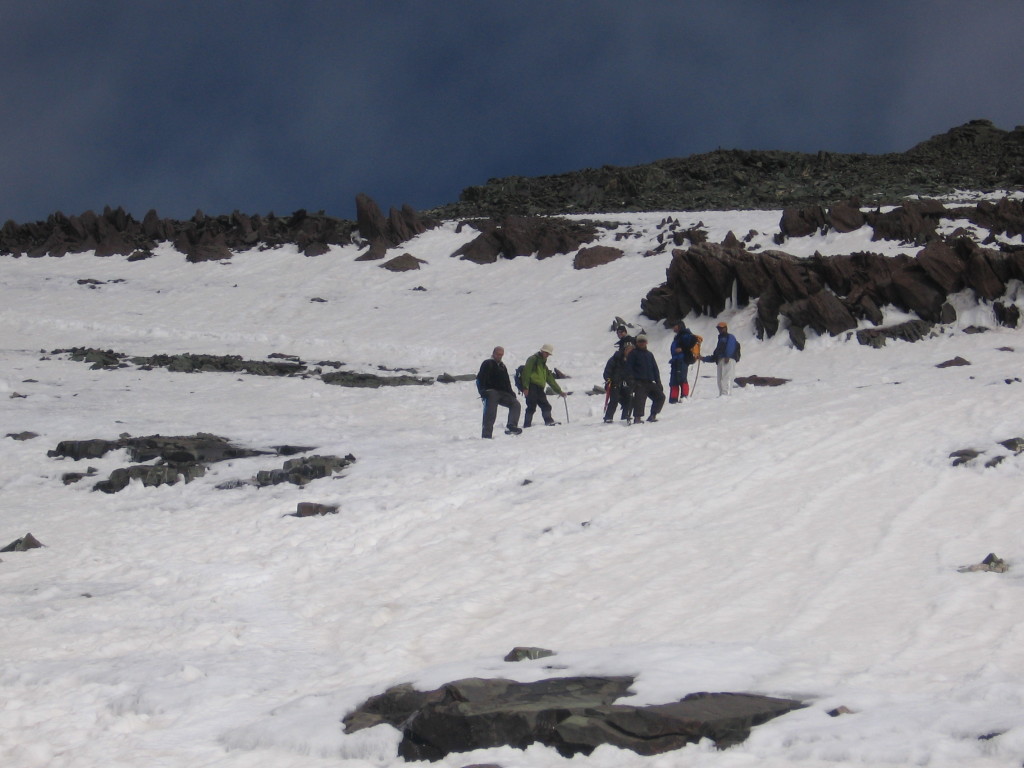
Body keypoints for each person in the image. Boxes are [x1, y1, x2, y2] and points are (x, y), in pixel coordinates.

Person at [475, 346, 522, 439]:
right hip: (491, 391)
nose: (499, 356)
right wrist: (483, 391)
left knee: (516, 404)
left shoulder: (502, 366)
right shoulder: (487, 363)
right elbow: (480, 378)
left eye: (501, 355)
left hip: (503, 393)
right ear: (493, 353)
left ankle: (511, 426)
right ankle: (486, 435)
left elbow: (507, 381)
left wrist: (511, 392)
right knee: (490, 413)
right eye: (498, 354)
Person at [521, 344, 565, 427]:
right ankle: (527, 425)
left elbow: (550, 379)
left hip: (539, 387)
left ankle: (548, 421)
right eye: (546, 353)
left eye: (548, 354)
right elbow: (526, 373)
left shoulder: (543, 364)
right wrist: (525, 387)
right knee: (531, 406)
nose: (547, 355)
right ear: (542, 351)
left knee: (545, 405)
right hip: (532, 386)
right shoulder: (533, 359)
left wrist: (559, 391)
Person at [625, 334, 665, 423]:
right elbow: (629, 368)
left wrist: (658, 382)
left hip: (650, 382)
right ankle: (637, 418)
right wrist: (631, 380)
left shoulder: (650, 354)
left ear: (646, 342)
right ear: (637, 343)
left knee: (660, 397)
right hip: (639, 382)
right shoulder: (633, 354)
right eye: (640, 341)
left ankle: (653, 415)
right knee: (640, 400)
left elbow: (655, 369)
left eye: (643, 341)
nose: (642, 343)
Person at [704, 322, 741, 396]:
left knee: (727, 378)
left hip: (728, 360)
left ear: (726, 328)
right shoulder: (720, 340)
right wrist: (703, 359)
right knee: (720, 380)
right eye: (719, 328)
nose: (720, 330)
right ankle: (722, 396)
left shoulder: (730, 337)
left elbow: (730, 345)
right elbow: (715, 356)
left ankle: (726, 396)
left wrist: (727, 355)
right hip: (721, 360)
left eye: (721, 328)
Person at [667, 320, 700, 403]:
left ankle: (684, 397)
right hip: (676, 360)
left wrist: (683, 349)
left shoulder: (685, 335)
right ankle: (673, 399)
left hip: (681, 360)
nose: (673, 327)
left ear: (679, 326)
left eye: (675, 325)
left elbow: (693, 340)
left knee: (681, 378)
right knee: (674, 380)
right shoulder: (680, 336)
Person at [602, 340, 634, 423]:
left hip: (625, 384)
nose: (630, 351)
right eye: (628, 349)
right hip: (613, 383)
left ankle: (625, 416)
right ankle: (608, 417)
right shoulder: (615, 358)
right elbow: (607, 370)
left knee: (630, 398)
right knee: (614, 400)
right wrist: (608, 379)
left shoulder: (632, 360)